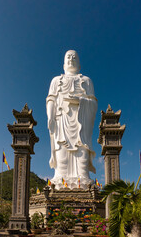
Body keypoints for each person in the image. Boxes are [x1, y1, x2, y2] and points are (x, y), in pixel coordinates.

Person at [46, 50, 97, 189]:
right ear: (63, 64)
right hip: (62, 119)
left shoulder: (86, 81)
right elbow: (51, 99)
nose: (71, 58)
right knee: (62, 153)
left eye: (74, 57)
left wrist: (80, 101)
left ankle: (83, 180)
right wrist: (50, 116)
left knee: (82, 152)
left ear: (79, 65)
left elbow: (93, 103)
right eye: (68, 56)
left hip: (81, 121)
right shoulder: (56, 81)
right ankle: (60, 179)